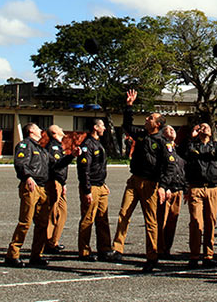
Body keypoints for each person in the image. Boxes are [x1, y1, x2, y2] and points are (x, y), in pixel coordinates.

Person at [5, 122, 76, 268]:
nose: (41, 130)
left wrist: (71, 156)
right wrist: (28, 177)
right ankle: (13, 254)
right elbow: (20, 163)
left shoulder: (42, 150)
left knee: (43, 224)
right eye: (38, 128)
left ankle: (36, 255)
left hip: (43, 188)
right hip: (32, 186)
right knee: (25, 221)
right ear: (31, 130)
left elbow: (56, 164)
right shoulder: (25, 145)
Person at [110, 89, 165, 273]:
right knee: (124, 213)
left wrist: (163, 186)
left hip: (150, 184)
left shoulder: (162, 142)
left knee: (151, 222)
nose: (147, 119)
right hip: (134, 181)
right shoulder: (141, 134)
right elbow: (127, 125)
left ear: (157, 124)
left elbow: (167, 166)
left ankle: (152, 256)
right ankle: (117, 249)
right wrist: (129, 106)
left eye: (151, 118)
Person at [182, 120, 217, 268]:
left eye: (207, 127)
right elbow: (182, 153)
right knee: (196, 222)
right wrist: (190, 138)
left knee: (210, 222)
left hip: (212, 188)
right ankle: (194, 256)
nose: (204, 128)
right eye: (202, 127)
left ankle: (208, 255)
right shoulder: (193, 146)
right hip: (196, 188)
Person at [76, 118, 113, 261]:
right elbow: (84, 169)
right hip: (91, 186)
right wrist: (87, 190)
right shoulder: (87, 145)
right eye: (102, 125)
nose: (104, 128)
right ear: (95, 127)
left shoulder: (98, 143)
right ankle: (84, 251)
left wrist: (103, 183)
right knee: (88, 219)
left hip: (100, 185)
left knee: (103, 218)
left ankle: (105, 249)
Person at [156, 125, 185, 258]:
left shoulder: (178, 150)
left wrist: (185, 188)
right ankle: (159, 249)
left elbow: (184, 170)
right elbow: (161, 169)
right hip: (166, 189)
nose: (172, 130)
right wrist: (164, 186)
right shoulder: (161, 148)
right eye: (168, 129)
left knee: (172, 221)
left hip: (178, 189)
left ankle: (167, 248)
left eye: (174, 129)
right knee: (161, 221)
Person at [44, 125, 70, 254]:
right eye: (59, 128)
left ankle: (54, 240)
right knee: (52, 213)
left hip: (59, 182)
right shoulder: (52, 147)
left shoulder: (58, 146)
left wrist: (63, 183)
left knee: (62, 213)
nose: (62, 129)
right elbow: (55, 166)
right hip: (53, 182)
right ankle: (48, 242)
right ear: (54, 132)